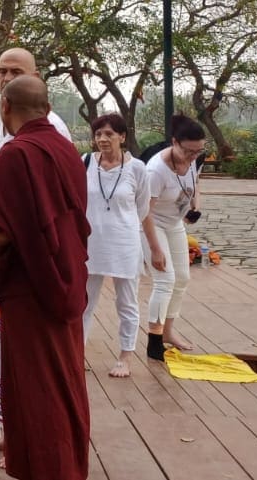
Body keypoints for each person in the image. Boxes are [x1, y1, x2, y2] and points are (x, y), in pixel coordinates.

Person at [0, 76, 91, 480]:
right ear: (48, 107)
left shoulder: (14, 156)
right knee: (64, 376)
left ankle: (50, 469)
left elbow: (10, 229)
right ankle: (66, 464)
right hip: (66, 274)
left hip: (31, 286)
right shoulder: (67, 150)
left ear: (5, 106)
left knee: (38, 386)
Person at [80, 114, 161, 378]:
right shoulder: (86, 162)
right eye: (98, 134)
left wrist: (146, 242)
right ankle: (75, 354)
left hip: (124, 242)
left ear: (122, 137)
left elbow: (142, 207)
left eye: (109, 134)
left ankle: (126, 356)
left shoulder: (137, 168)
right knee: (83, 302)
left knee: (126, 302)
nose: (103, 139)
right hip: (91, 242)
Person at [144, 114, 207, 359]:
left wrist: (195, 205)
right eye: (189, 151)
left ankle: (169, 331)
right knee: (165, 279)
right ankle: (154, 340)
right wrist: (155, 249)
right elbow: (144, 213)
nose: (194, 156)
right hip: (151, 225)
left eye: (199, 151)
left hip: (174, 223)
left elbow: (195, 184)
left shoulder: (192, 159)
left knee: (182, 278)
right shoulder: (155, 171)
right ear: (174, 142)